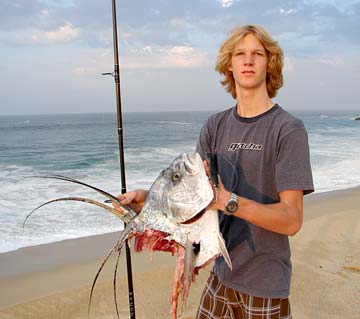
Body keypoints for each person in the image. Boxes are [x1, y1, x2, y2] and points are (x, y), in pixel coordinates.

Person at [118, 24, 314, 319]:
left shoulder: (287, 129)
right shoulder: (215, 126)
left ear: (269, 63)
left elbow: (291, 219)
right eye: (240, 54)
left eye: (257, 54)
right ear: (230, 65)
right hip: (221, 277)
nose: (248, 61)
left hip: (265, 286)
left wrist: (229, 201)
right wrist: (149, 200)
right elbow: (196, 198)